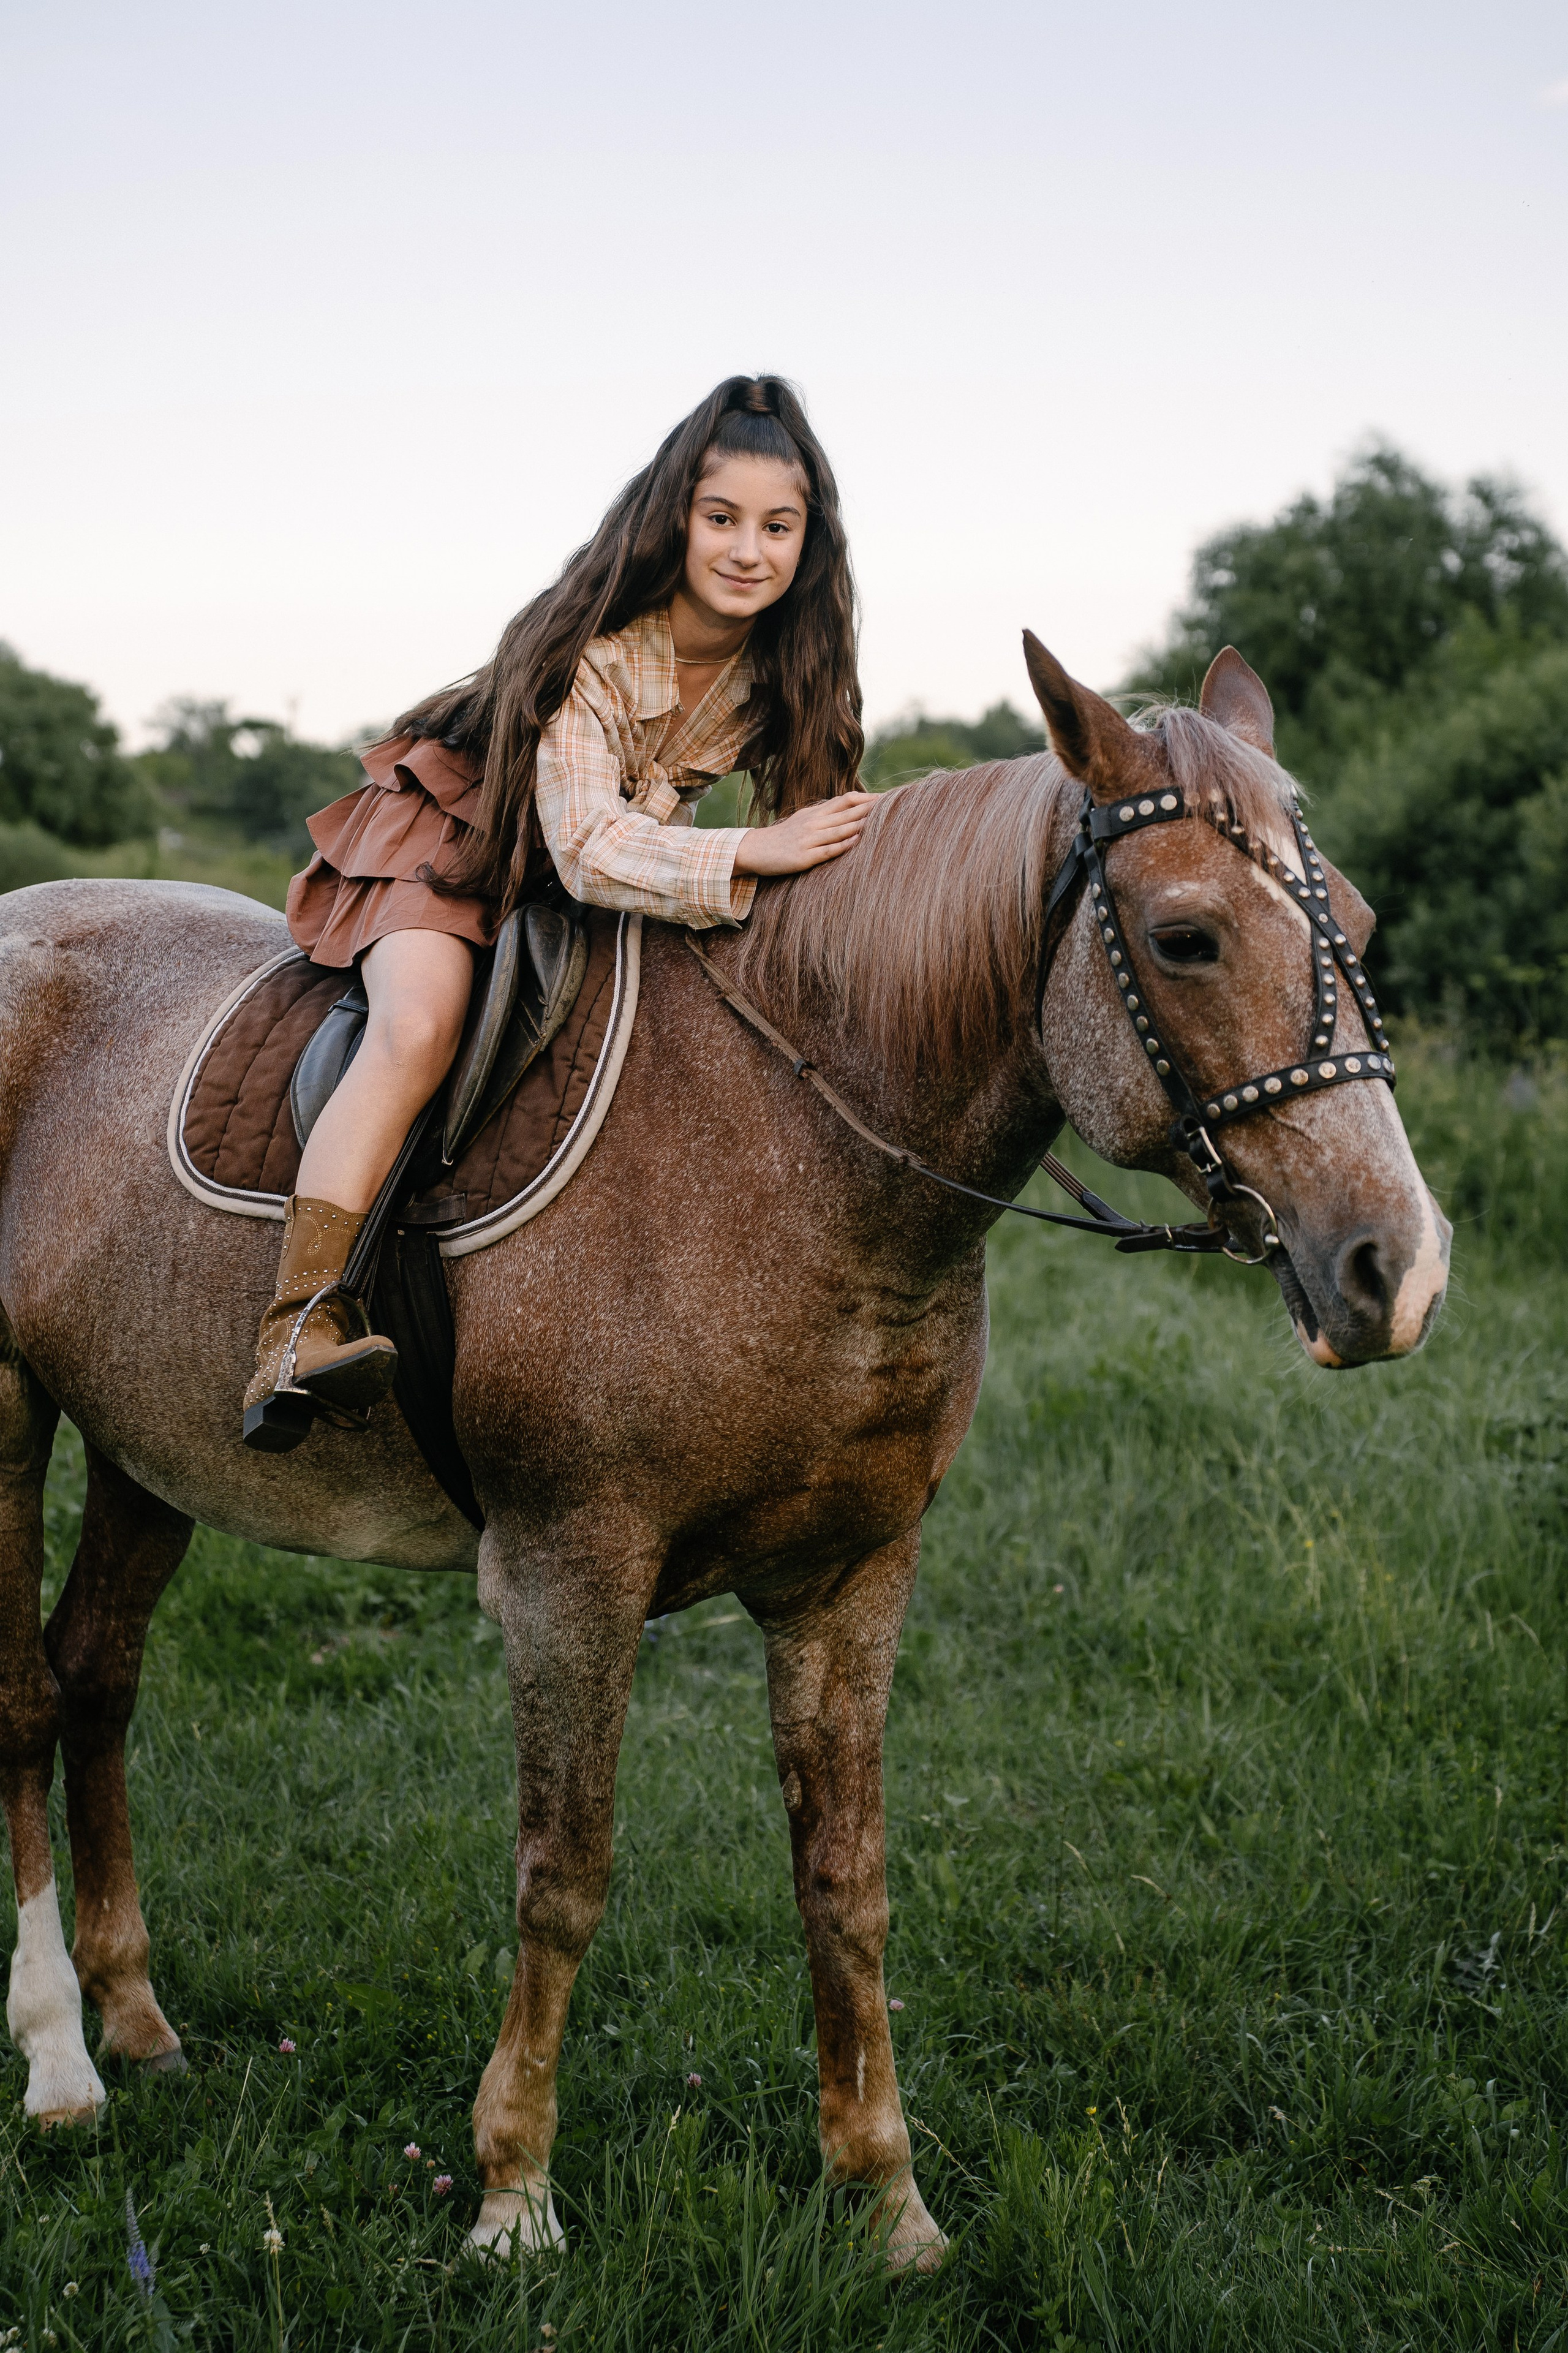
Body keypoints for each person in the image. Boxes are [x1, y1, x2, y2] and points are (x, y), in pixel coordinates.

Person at [243, 375, 874, 1442]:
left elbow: (807, 827)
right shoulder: (593, 650)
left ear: (810, 542)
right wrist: (750, 850)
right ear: (673, 516)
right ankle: (297, 1322)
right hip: (456, 841)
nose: (747, 550)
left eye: (779, 526)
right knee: (419, 1025)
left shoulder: (785, 671)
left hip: (582, 876)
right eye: (721, 518)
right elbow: (585, 846)